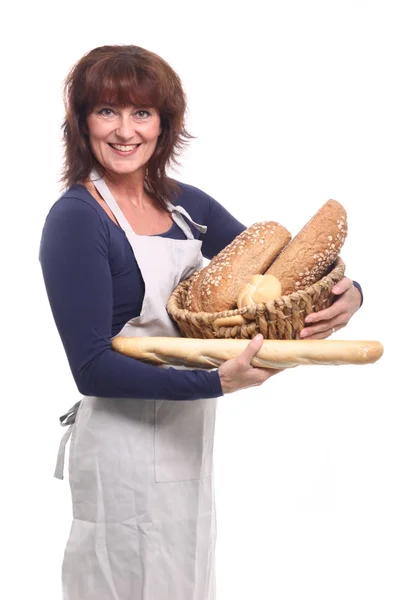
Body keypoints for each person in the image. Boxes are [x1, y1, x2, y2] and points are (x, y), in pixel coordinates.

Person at [39, 44, 363, 600]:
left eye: (142, 112)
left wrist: (353, 292)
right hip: (119, 442)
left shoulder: (186, 206)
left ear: (164, 125)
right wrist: (216, 381)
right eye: (106, 111)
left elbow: (279, 267)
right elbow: (91, 368)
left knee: (184, 580)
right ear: (82, 121)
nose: (125, 131)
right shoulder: (77, 219)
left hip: (187, 440)